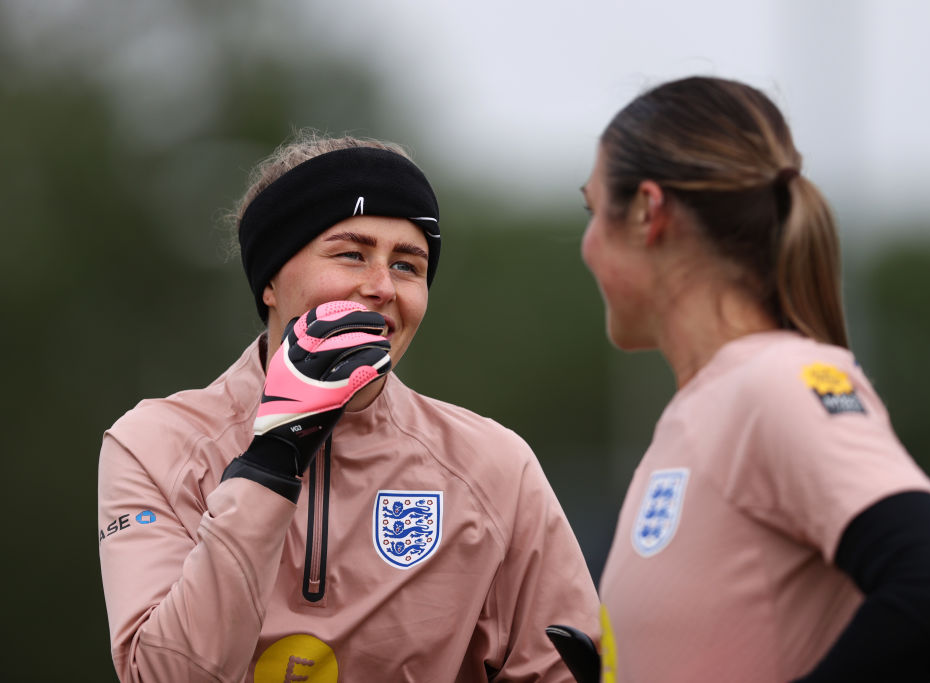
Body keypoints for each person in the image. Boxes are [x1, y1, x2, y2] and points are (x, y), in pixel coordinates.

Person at [98, 132, 600, 682]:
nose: (381, 286)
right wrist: (270, 461)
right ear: (270, 280)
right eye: (351, 254)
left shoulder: (496, 465)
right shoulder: (153, 443)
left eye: (408, 265)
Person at [578, 77, 930, 682]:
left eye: (591, 211)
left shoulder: (782, 382)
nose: (585, 244)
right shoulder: (706, 407)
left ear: (647, 212)